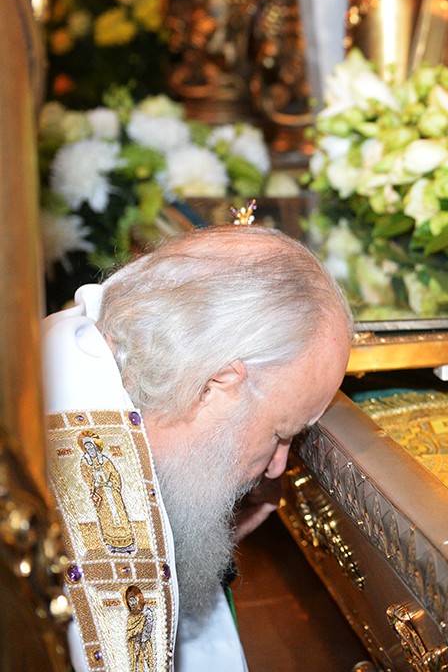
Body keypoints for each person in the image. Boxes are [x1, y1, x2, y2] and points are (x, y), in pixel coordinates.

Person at [42, 225, 352, 671]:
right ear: (214, 386)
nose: (277, 465)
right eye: (280, 433)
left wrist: (182, 539)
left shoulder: (74, 340)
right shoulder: (93, 510)